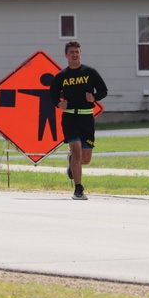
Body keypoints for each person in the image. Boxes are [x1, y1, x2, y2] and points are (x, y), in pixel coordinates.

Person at [48, 41, 108, 200]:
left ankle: (72, 163)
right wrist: (59, 104)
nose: (74, 54)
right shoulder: (62, 76)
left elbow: (103, 90)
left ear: (80, 53)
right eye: (71, 52)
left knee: (85, 159)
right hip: (70, 117)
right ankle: (78, 189)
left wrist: (94, 97)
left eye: (77, 51)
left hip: (87, 117)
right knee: (76, 151)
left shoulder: (90, 72)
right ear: (66, 55)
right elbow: (52, 95)